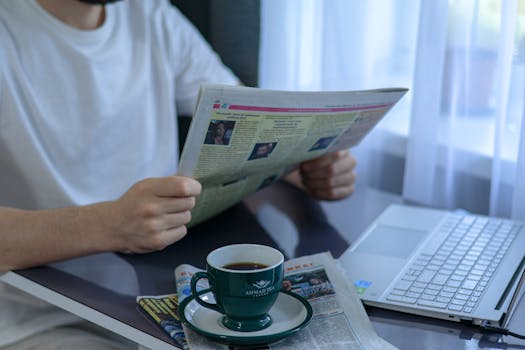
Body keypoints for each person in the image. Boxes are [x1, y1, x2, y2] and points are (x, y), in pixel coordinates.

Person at [0, 0, 357, 348]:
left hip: (159, 297)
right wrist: (109, 225)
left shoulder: (152, 15)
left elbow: (253, 125)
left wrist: (306, 166)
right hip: (41, 319)